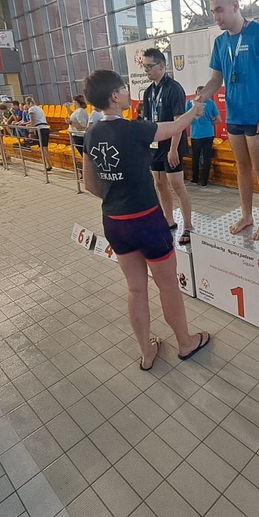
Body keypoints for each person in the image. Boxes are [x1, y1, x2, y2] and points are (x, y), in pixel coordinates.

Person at [82, 70, 210, 369]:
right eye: (124, 88)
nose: (128, 92)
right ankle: (185, 343)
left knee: (136, 289)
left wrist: (116, 197)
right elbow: (175, 126)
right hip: (148, 221)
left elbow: (90, 184)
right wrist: (194, 109)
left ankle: (146, 352)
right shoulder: (134, 129)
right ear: (115, 96)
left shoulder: (91, 133)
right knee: (168, 286)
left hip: (115, 221)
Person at [197, 0, 259, 240]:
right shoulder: (220, 42)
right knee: (242, 168)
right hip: (234, 115)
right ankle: (247, 215)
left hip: (257, 115)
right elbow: (216, 79)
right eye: (213, 12)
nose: (216, 17)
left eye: (219, 10)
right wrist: (201, 97)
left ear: (235, 6)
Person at [141, 48, 194, 244]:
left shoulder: (174, 88)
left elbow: (179, 122)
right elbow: (148, 121)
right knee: (159, 185)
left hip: (172, 145)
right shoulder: (148, 92)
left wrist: (173, 149)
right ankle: (169, 220)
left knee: (177, 186)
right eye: (144, 67)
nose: (146, 70)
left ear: (162, 66)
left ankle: (188, 226)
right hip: (155, 147)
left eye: (149, 66)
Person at [187, 85, 219, 187]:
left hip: (196, 134)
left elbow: (186, 118)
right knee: (207, 157)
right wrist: (210, 123)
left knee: (195, 157)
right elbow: (218, 119)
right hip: (209, 133)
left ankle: (195, 179)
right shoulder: (211, 103)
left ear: (195, 93)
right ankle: (204, 181)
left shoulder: (190, 103)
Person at [24, 96, 52, 171]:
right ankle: (48, 163)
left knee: (42, 148)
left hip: (40, 128)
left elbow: (32, 120)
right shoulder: (39, 108)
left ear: (28, 103)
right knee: (45, 147)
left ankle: (47, 164)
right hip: (45, 127)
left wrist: (30, 131)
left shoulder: (31, 109)